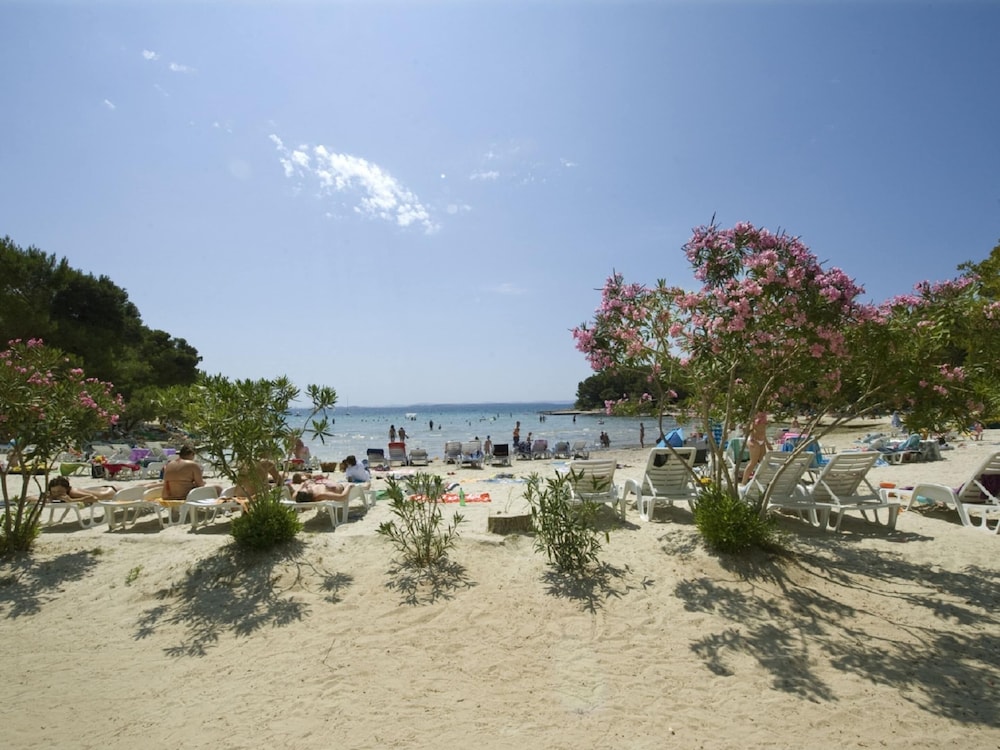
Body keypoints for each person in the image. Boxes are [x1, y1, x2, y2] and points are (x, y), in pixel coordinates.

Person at [741, 412, 772, 485]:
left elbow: (763, 430)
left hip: (762, 441)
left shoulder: (764, 415)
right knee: (753, 462)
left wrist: (767, 443)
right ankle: (743, 482)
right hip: (754, 440)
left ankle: (762, 481)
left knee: (763, 462)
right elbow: (749, 429)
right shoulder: (755, 414)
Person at [45, 476, 116, 503]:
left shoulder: (73, 492)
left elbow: (94, 498)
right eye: (53, 492)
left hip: (112, 492)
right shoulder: (54, 494)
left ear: (67, 489)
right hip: (101, 489)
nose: (56, 494)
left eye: (59, 491)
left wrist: (71, 500)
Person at [289, 473, 353, 503]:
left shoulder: (300, 495)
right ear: (309, 494)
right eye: (307, 488)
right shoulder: (321, 495)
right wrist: (349, 486)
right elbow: (342, 497)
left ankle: (325, 478)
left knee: (313, 478)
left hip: (323, 483)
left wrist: (302, 485)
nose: (307, 487)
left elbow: (294, 496)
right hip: (342, 486)